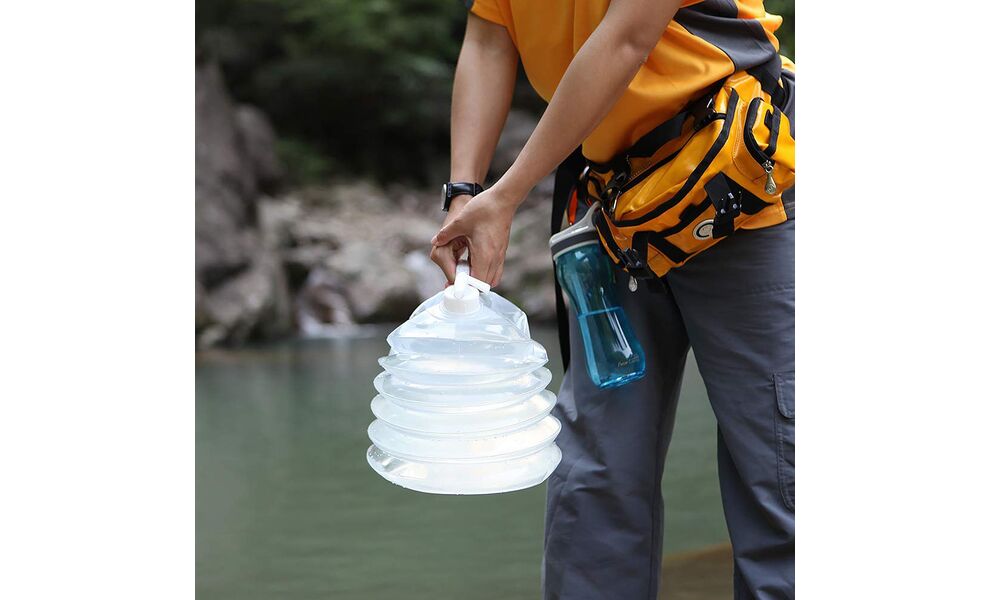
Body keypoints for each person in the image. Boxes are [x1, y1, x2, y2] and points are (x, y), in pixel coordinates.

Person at [430, 1, 795, 598]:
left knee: (779, 466)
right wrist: (464, 193)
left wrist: (505, 196)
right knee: (594, 471)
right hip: (618, 207)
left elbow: (627, 37)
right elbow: (491, 38)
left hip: (742, 179)